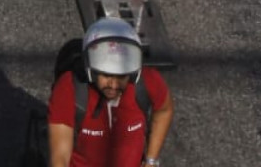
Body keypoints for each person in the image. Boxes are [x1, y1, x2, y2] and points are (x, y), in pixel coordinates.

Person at [47, 17, 174, 167]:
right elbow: (60, 158)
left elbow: (164, 110)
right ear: (91, 69)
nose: (113, 85)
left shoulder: (149, 81)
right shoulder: (69, 89)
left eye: (121, 76)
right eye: (106, 75)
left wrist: (151, 160)